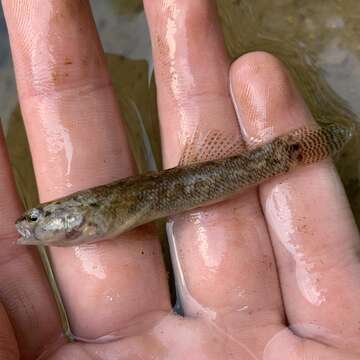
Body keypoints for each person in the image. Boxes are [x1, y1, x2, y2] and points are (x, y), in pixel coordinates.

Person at [0, 0, 359, 359]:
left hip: (197, 178)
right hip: (190, 182)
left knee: (267, 141)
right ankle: (294, 151)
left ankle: (294, 152)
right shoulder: (82, 221)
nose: (30, 224)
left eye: (37, 217)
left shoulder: (87, 218)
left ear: (71, 212)